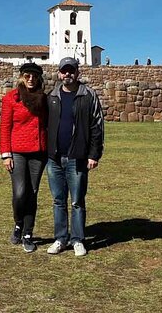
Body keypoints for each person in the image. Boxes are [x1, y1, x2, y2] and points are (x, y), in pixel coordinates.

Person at [46, 57, 104, 256]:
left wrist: (94, 154)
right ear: (59, 73)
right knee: (58, 200)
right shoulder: (52, 96)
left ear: (77, 72)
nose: (67, 74)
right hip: (54, 157)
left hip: (77, 157)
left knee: (77, 200)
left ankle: (77, 239)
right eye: (64, 71)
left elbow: (97, 126)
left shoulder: (87, 95)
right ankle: (60, 238)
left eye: (71, 70)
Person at [0, 62, 48, 253]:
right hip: (17, 151)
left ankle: (28, 233)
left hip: (38, 152)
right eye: (27, 75)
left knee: (32, 192)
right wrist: (6, 155)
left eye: (34, 76)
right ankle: (18, 223)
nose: (31, 79)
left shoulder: (43, 98)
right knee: (20, 192)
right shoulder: (11, 98)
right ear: (21, 76)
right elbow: (5, 127)